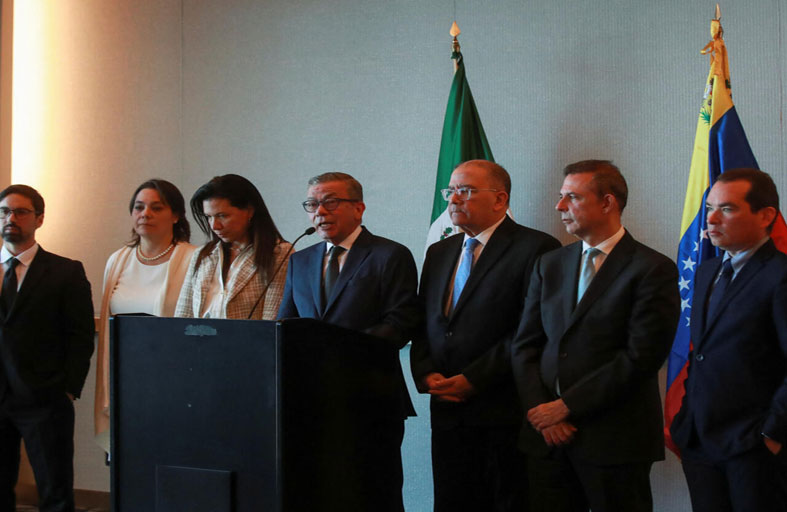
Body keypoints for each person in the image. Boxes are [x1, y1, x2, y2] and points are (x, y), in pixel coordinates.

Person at [511, 160, 680, 512]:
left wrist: (565, 407)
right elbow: (525, 345)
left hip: (615, 440)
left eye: (572, 197)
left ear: (607, 202)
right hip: (547, 441)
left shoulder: (652, 268)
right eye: (561, 196)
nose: (559, 206)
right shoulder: (549, 264)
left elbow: (642, 356)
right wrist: (542, 412)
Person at [410, 160, 560, 511]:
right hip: (446, 408)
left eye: (465, 191)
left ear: (499, 199)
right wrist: (425, 372)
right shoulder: (440, 251)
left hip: (503, 407)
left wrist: (475, 378)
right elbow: (425, 320)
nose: (453, 200)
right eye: (450, 191)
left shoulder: (537, 247)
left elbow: (531, 328)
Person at [277, 172, 421, 511]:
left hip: (370, 396)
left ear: (359, 208)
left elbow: (400, 323)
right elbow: (286, 325)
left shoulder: (389, 255)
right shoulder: (300, 260)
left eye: (330, 202)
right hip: (311, 402)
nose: (319, 212)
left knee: (373, 494)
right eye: (312, 204)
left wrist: (336, 353)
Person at [670, 168, 787, 511]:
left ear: (766, 215)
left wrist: (772, 434)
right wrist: (685, 420)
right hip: (698, 441)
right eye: (709, 208)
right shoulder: (707, 271)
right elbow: (702, 353)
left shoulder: (780, 275)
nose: (711, 219)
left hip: (752, 447)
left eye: (728, 209)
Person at [0, 185, 94, 512]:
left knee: (55, 492)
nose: (11, 218)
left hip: (45, 398)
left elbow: (80, 335)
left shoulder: (66, 271)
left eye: (20, 212)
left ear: (39, 219)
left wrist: (68, 388)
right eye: (4, 212)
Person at [94, 179, 196, 453]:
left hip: (175, 379)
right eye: (139, 207)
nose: (145, 214)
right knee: (129, 458)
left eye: (156, 208)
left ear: (175, 215)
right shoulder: (118, 260)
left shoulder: (194, 259)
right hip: (126, 379)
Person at [175, 174, 291, 320]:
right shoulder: (203, 254)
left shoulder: (279, 254)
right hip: (200, 335)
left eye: (222, 216)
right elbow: (183, 316)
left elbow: (271, 321)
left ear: (249, 211)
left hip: (248, 335)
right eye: (209, 217)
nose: (214, 226)